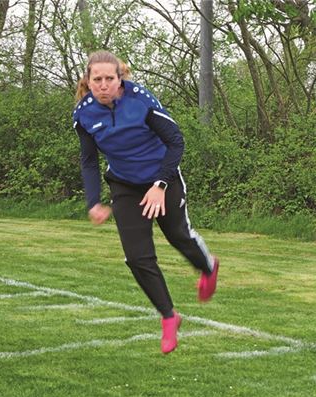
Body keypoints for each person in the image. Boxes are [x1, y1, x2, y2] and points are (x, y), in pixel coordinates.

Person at [72, 50, 219, 354]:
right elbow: (88, 161)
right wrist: (92, 202)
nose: (102, 85)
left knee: (178, 236)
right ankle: (169, 316)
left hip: (162, 178)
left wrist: (161, 184)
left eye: (108, 79)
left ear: (119, 78)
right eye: (96, 79)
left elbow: (176, 141)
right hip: (125, 185)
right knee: (137, 257)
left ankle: (208, 266)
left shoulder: (141, 101)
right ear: (88, 80)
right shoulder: (83, 114)